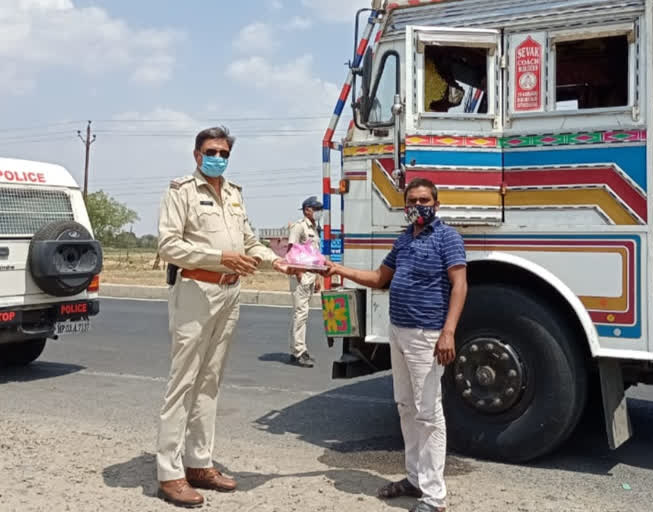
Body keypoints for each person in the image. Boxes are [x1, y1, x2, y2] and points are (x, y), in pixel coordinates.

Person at [155, 126, 292, 508]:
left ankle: (199, 462)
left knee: (210, 381)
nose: (218, 157)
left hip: (231, 292)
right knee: (182, 381)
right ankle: (170, 472)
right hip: (196, 290)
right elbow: (168, 244)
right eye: (211, 151)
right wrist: (219, 259)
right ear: (197, 155)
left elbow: (248, 241)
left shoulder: (234, 194)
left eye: (224, 152)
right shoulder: (181, 191)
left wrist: (277, 261)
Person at [327, 178, 468, 512]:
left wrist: (448, 332)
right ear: (405, 206)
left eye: (425, 200)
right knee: (405, 406)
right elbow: (379, 278)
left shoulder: (448, 238)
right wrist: (337, 268)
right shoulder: (404, 240)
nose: (419, 206)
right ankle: (414, 478)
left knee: (429, 413)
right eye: (413, 201)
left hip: (427, 335)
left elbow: (460, 286)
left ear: (436, 204)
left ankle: (435, 497)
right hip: (399, 331)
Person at [287, 196, 324, 368]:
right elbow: (291, 250)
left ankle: (301, 348)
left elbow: (314, 256)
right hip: (300, 276)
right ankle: (298, 352)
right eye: (316, 209)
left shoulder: (315, 229)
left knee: (304, 313)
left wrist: (318, 277)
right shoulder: (299, 226)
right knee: (300, 313)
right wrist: (298, 272)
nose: (319, 213)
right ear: (307, 210)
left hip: (310, 275)